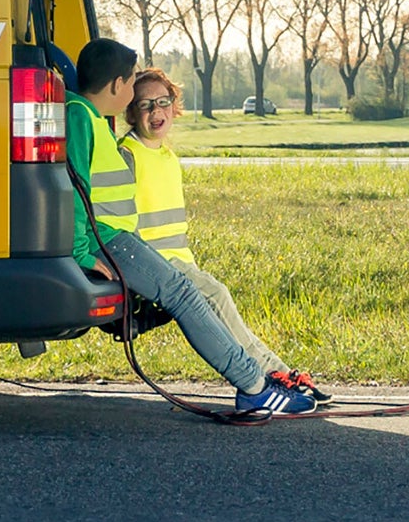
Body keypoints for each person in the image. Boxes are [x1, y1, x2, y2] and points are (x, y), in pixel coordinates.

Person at [66, 37, 315, 417]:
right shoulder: (80, 116)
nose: (135, 91)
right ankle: (254, 386)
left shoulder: (91, 117)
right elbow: (74, 186)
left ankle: (259, 382)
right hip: (108, 240)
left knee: (188, 292)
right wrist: (81, 251)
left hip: (117, 238)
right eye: (133, 83)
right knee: (185, 295)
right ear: (118, 85)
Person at [118, 68, 327, 403]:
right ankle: (273, 374)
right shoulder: (127, 154)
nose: (156, 112)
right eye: (145, 105)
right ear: (130, 112)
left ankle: (277, 372)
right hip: (155, 265)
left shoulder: (166, 156)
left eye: (163, 102)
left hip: (179, 263)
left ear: (174, 106)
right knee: (217, 294)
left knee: (217, 297)